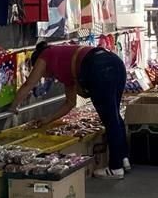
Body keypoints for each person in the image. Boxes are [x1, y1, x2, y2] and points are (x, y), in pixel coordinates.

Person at [10, 42, 129, 180]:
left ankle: (116, 168)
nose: (45, 77)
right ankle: (123, 158)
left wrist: (13, 107)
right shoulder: (63, 62)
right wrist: (48, 119)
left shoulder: (44, 56)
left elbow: (29, 84)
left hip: (98, 67)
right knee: (114, 116)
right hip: (114, 62)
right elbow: (70, 103)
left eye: (42, 73)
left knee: (110, 119)